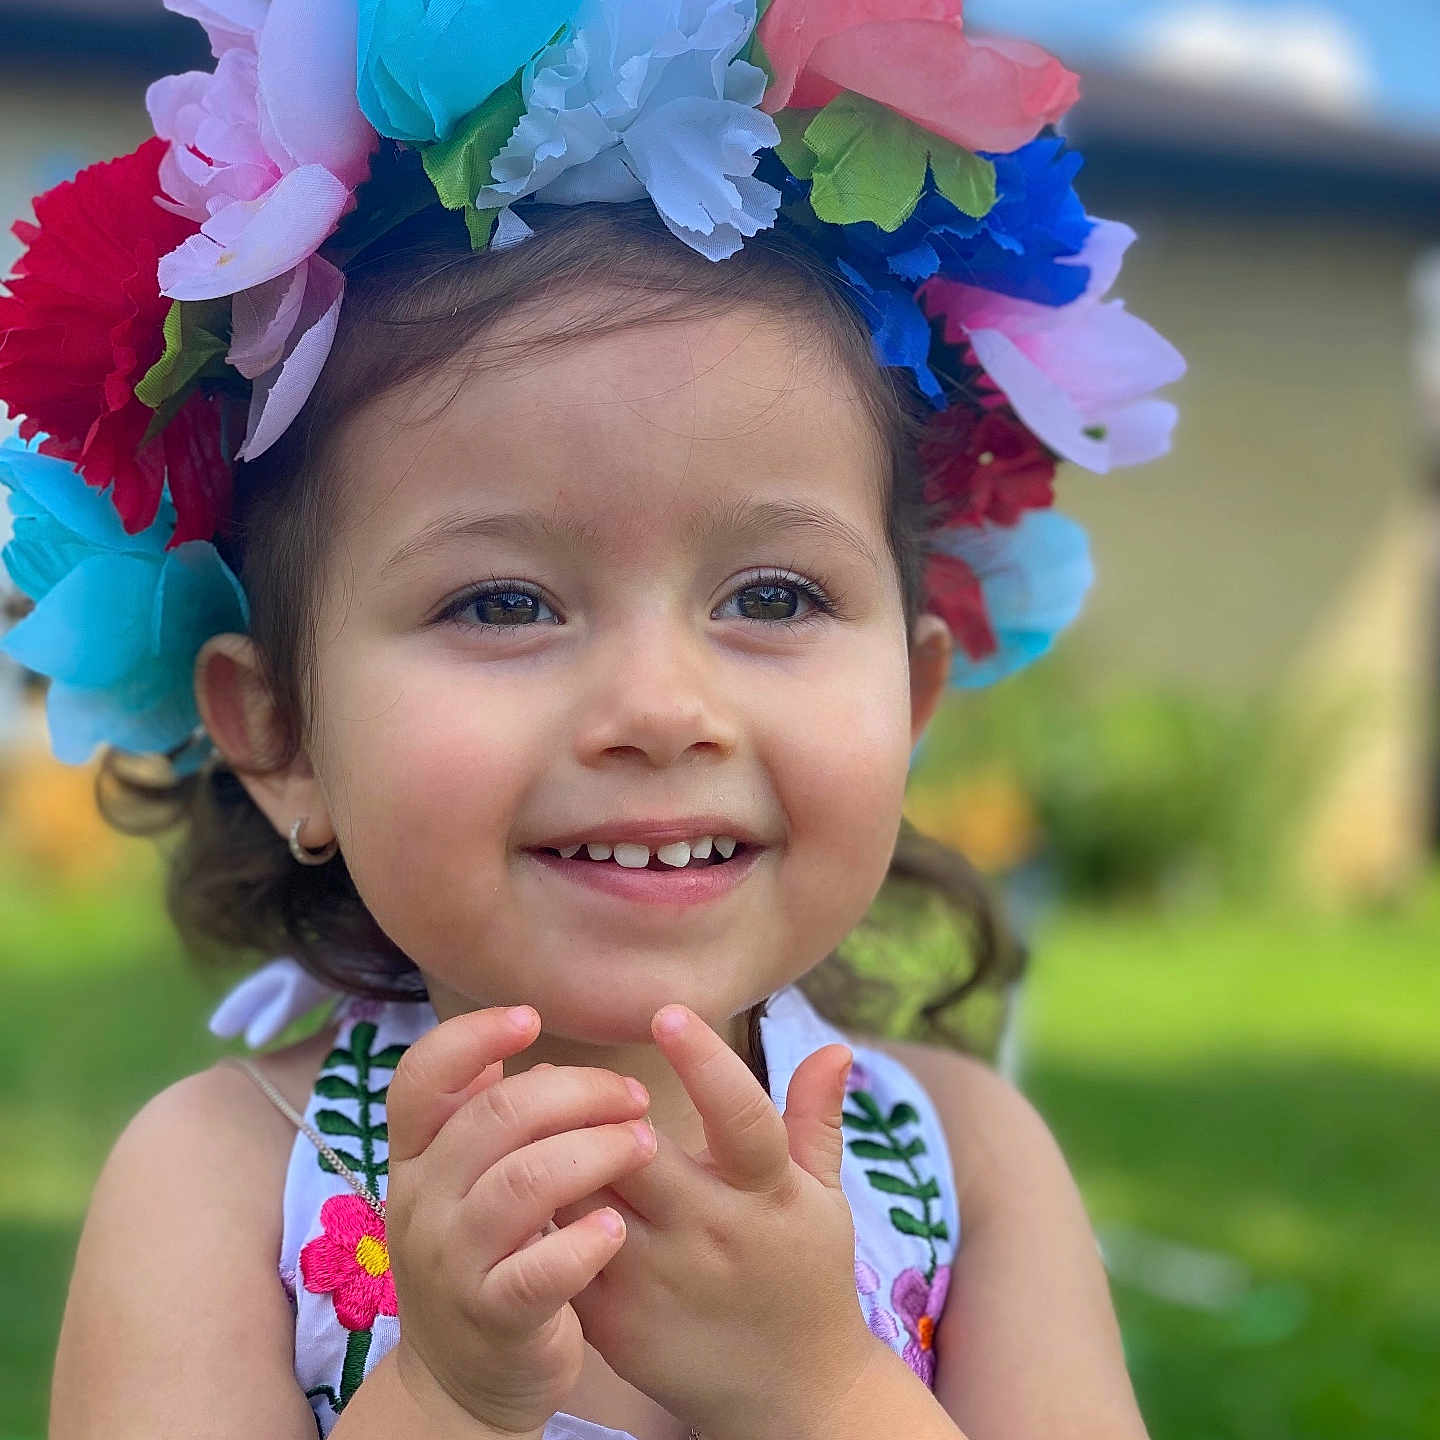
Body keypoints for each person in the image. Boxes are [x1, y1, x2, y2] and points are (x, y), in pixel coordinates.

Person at [0, 2, 1184, 1437]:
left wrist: (816, 1386)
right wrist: (442, 1393)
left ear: (913, 698)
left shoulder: (964, 1167)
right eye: (502, 605)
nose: (657, 709)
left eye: (773, 593)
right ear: (283, 739)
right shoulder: (219, 1183)